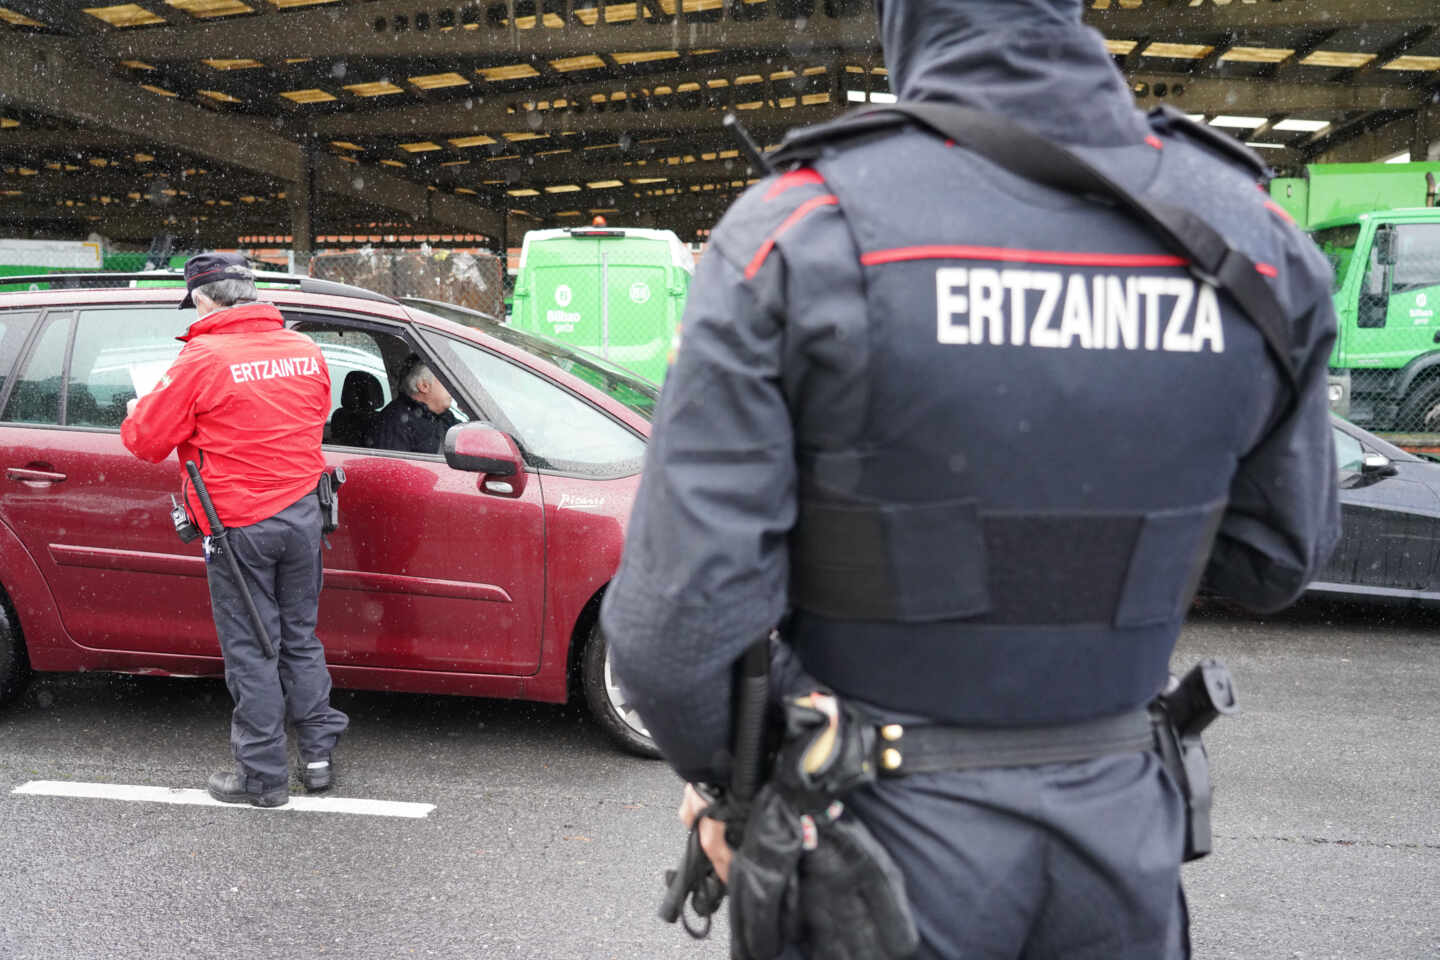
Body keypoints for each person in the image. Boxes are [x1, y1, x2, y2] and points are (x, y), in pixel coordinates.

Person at [598, 0, 1341, 956]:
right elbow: (1278, 556)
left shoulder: (804, 228)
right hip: (1120, 851)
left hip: (872, 858)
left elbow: (672, 634)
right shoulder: (1257, 238)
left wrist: (754, 783)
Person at [122, 252, 348, 808]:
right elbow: (314, 418)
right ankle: (317, 757)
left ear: (202, 298)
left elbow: (146, 441)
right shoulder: (304, 348)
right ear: (249, 291)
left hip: (239, 525)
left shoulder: (202, 358)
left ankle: (263, 777)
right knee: (300, 637)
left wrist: (138, 408)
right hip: (303, 515)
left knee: (252, 650)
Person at [370, 353, 458, 454]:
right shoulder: (395, 423)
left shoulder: (444, 417)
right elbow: (394, 467)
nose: (452, 386)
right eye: (445, 380)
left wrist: (468, 412)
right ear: (424, 386)